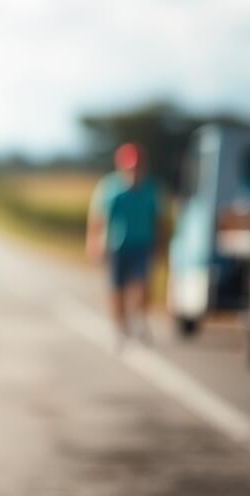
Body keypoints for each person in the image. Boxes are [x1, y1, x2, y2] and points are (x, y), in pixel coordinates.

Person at [87, 143, 162, 347]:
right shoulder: (111, 188)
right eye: (131, 168)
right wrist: (95, 244)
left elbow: (158, 219)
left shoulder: (151, 189)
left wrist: (160, 243)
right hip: (117, 246)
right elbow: (98, 219)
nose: (134, 172)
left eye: (138, 168)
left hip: (143, 245)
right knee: (117, 289)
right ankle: (120, 328)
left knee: (143, 285)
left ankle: (140, 321)